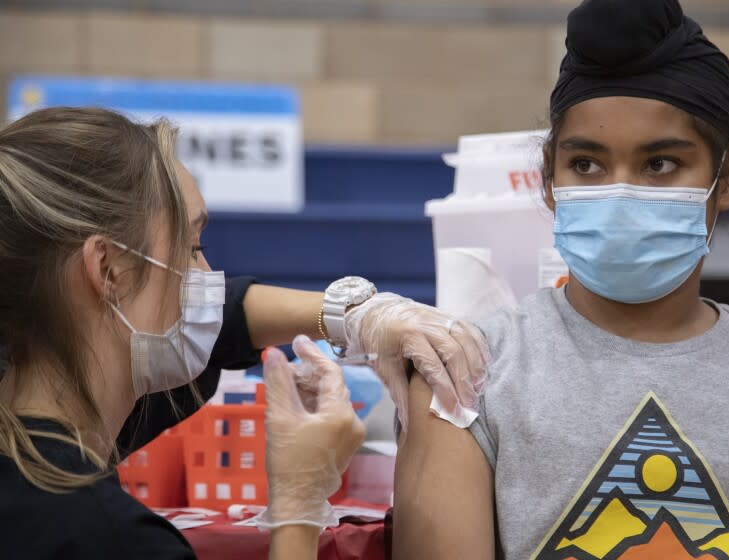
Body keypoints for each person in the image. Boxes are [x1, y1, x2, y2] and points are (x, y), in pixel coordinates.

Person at [394, 1, 729, 559]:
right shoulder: (466, 369)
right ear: (548, 178)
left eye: (659, 164)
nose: (620, 192)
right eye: (586, 164)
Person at [0, 107, 486, 559]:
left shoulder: (31, 428)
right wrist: (298, 506)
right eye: (193, 247)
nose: (208, 276)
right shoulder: (101, 534)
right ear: (107, 270)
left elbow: (230, 316)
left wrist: (355, 315)